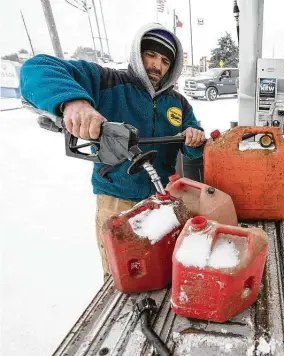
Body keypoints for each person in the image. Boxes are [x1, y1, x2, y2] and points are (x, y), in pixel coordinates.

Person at [20, 23, 205, 280]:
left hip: (162, 202)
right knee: (122, 276)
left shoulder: (179, 103)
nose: (156, 65)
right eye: (150, 55)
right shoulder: (106, 81)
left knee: (163, 269)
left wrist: (194, 141)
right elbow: (36, 68)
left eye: (164, 60)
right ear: (137, 54)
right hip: (117, 201)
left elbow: (193, 150)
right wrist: (74, 101)